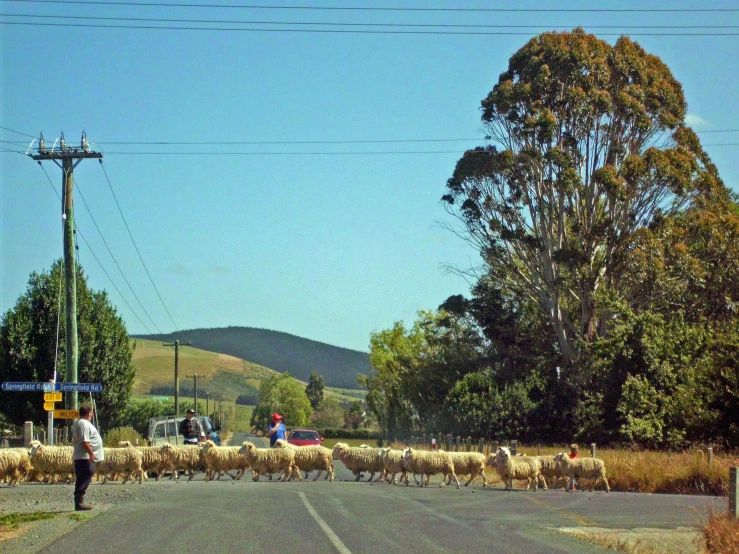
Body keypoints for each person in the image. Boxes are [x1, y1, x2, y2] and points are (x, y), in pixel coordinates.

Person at [72, 404, 104, 511]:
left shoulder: (82, 423)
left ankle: (80, 501)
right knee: (84, 476)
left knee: (85, 475)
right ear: (88, 413)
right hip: (84, 456)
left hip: (83, 456)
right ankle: (79, 502)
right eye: (91, 413)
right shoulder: (83, 424)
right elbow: (84, 441)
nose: (91, 415)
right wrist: (91, 453)